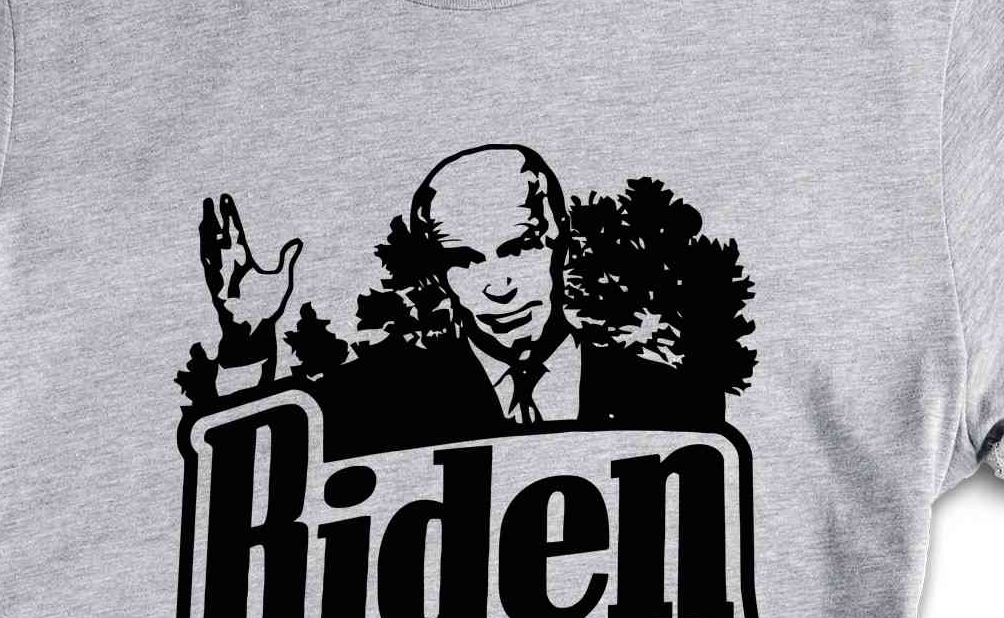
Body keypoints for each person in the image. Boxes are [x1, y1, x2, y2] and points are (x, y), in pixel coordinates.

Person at [198, 144, 721, 457]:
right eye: (465, 260)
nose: (498, 284)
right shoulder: (374, 402)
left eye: (518, 248)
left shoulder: (675, 403)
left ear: (560, 237)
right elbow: (251, 490)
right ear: (437, 270)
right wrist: (245, 343)